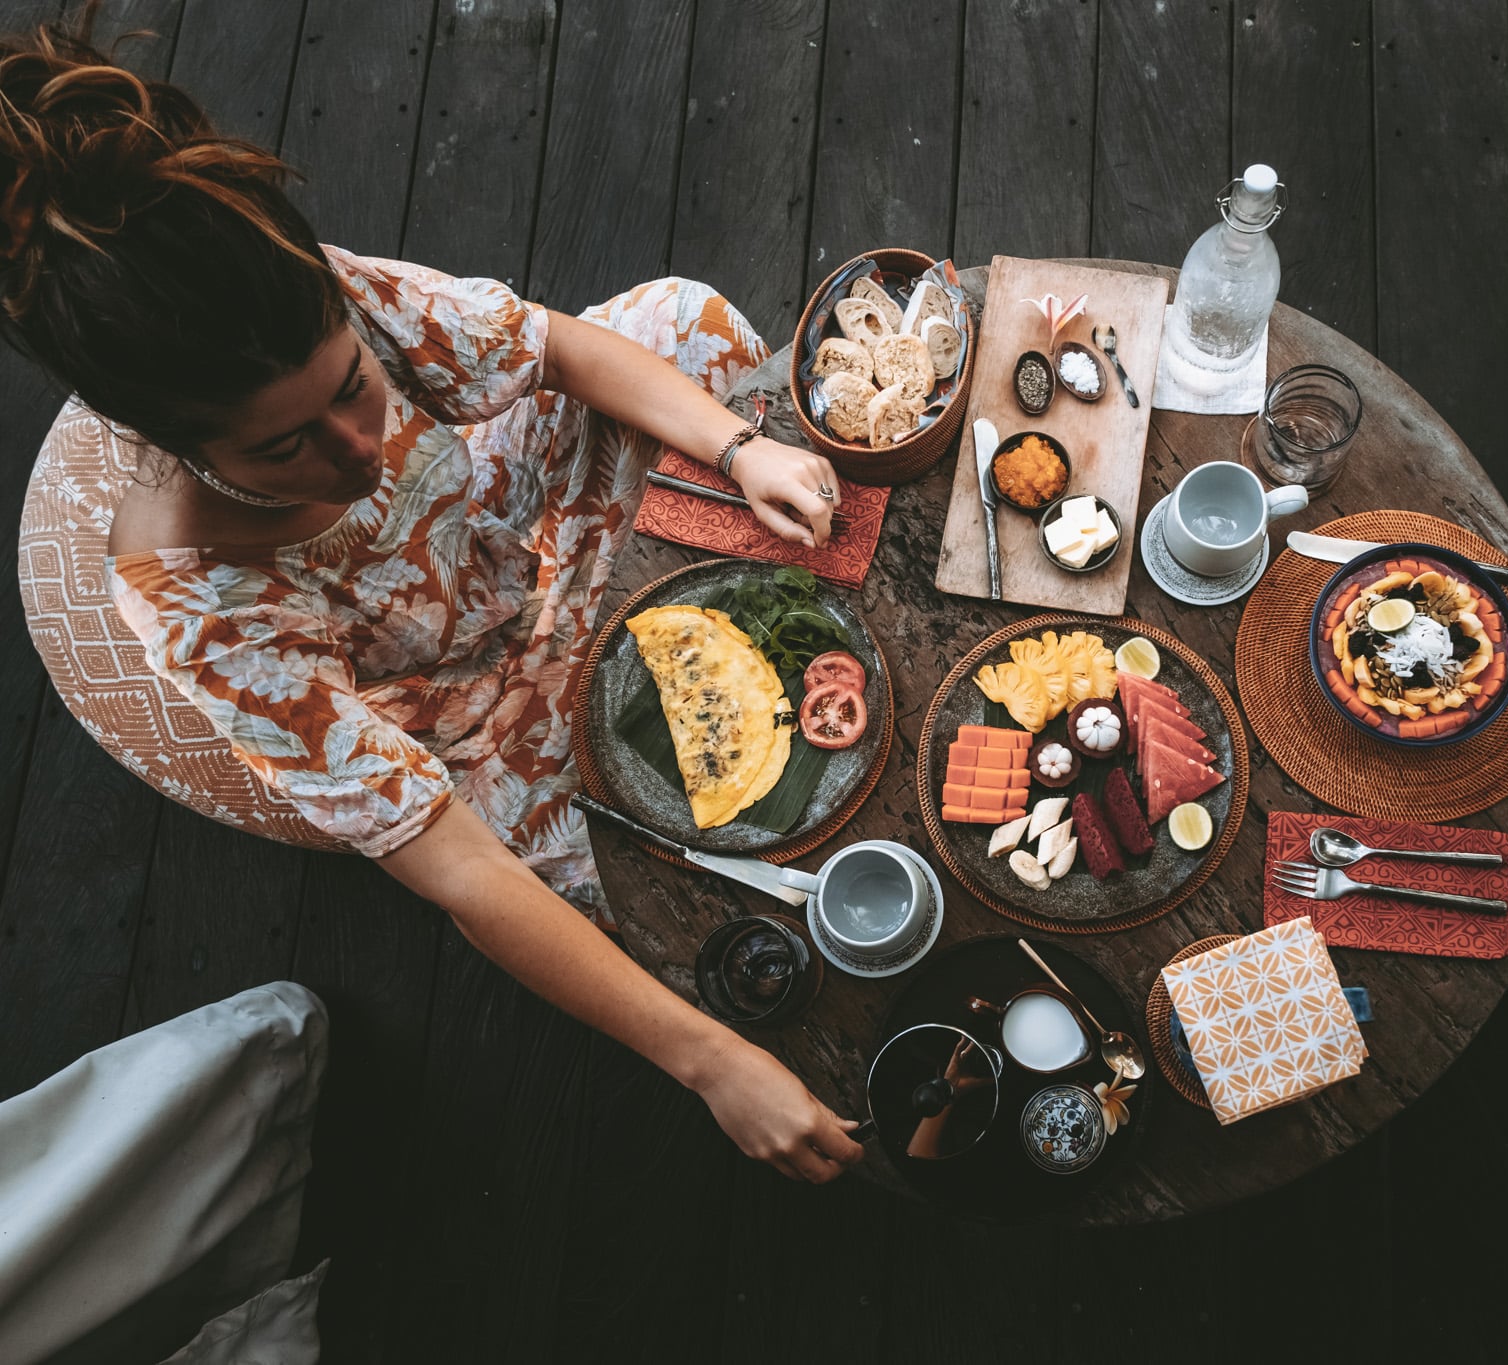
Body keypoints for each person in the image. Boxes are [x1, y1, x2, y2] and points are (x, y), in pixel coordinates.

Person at [0, 14, 864, 1183]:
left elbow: (558, 350)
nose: (358, 446)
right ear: (174, 441)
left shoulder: (329, 295)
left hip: (514, 517)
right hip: (463, 712)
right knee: (649, 876)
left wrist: (736, 450)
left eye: (352, 386)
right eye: (285, 448)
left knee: (679, 322)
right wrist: (710, 1063)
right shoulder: (200, 611)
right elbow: (459, 874)